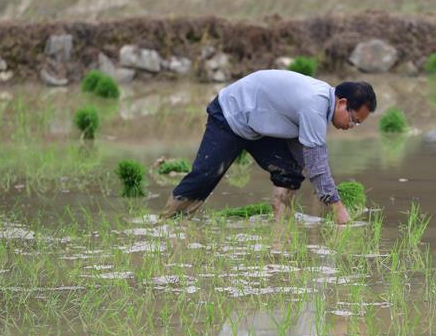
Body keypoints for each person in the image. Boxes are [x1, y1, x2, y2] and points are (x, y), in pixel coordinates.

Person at [160, 69, 376, 223]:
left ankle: (281, 225)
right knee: (205, 176)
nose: (352, 126)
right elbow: (318, 165)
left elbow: (306, 161)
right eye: (354, 120)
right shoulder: (314, 106)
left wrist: (319, 187)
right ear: (342, 103)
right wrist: (338, 209)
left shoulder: (321, 103)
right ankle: (168, 223)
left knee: (290, 170)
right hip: (231, 113)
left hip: (259, 124)